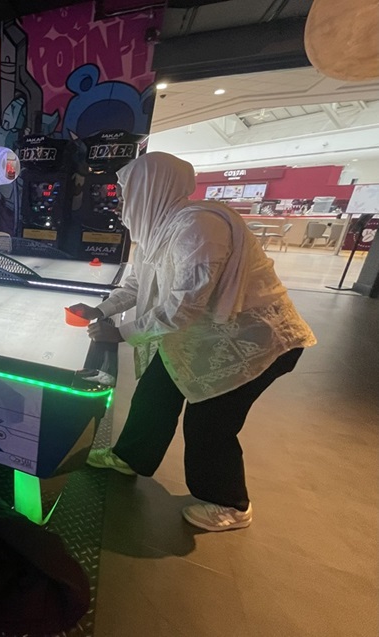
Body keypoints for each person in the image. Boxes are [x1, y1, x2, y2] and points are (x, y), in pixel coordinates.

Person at [69, 152, 316, 532]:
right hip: (201, 339)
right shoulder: (159, 226)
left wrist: (120, 333)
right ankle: (131, 457)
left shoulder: (198, 227)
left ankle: (230, 503)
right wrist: (103, 310)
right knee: (156, 392)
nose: (121, 200)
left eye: (127, 191)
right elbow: (139, 283)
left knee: (210, 423)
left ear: (152, 188)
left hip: (254, 343)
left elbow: (182, 305)